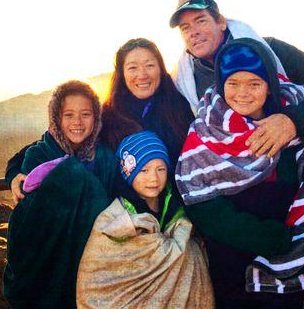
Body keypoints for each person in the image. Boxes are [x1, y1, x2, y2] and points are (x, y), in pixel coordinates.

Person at [175, 39, 304, 308]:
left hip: (286, 275)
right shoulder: (206, 130)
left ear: (269, 85)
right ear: (221, 84)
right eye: (233, 83)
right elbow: (198, 199)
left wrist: (293, 243)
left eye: (254, 83)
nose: (243, 93)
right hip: (230, 272)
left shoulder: (299, 129)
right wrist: (265, 237)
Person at [169, 0, 304, 159]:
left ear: (222, 23)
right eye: (185, 28)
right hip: (232, 187)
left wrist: (293, 122)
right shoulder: (184, 82)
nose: (193, 32)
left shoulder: (271, 52)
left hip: (294, 174)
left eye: (201, 21)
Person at [5, 38, 194, 203]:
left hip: (175, 207)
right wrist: (14, 173)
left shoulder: (178, 109)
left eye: (150, 65)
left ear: (161, 69)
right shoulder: (109, 115)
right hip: (122, 214)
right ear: (122, 73)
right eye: (132, 67)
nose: (142, 74)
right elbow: (52, 143)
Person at [3, 80, 117, 309]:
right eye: (68, 115)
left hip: (94, 262)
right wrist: (73, 175)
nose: (77, 122)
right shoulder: (39, 154)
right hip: (50, 263)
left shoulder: (105, 157)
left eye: (86, 114)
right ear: (56, 118)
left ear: (96, 118)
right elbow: (33, 220)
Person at [76, 131, 214, 308]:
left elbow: (190, 252)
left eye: (160, 169)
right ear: (128, 173)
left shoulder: (177, 208)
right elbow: (96, 274)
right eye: (143, 170)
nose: (154, 179)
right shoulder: (115, 214)